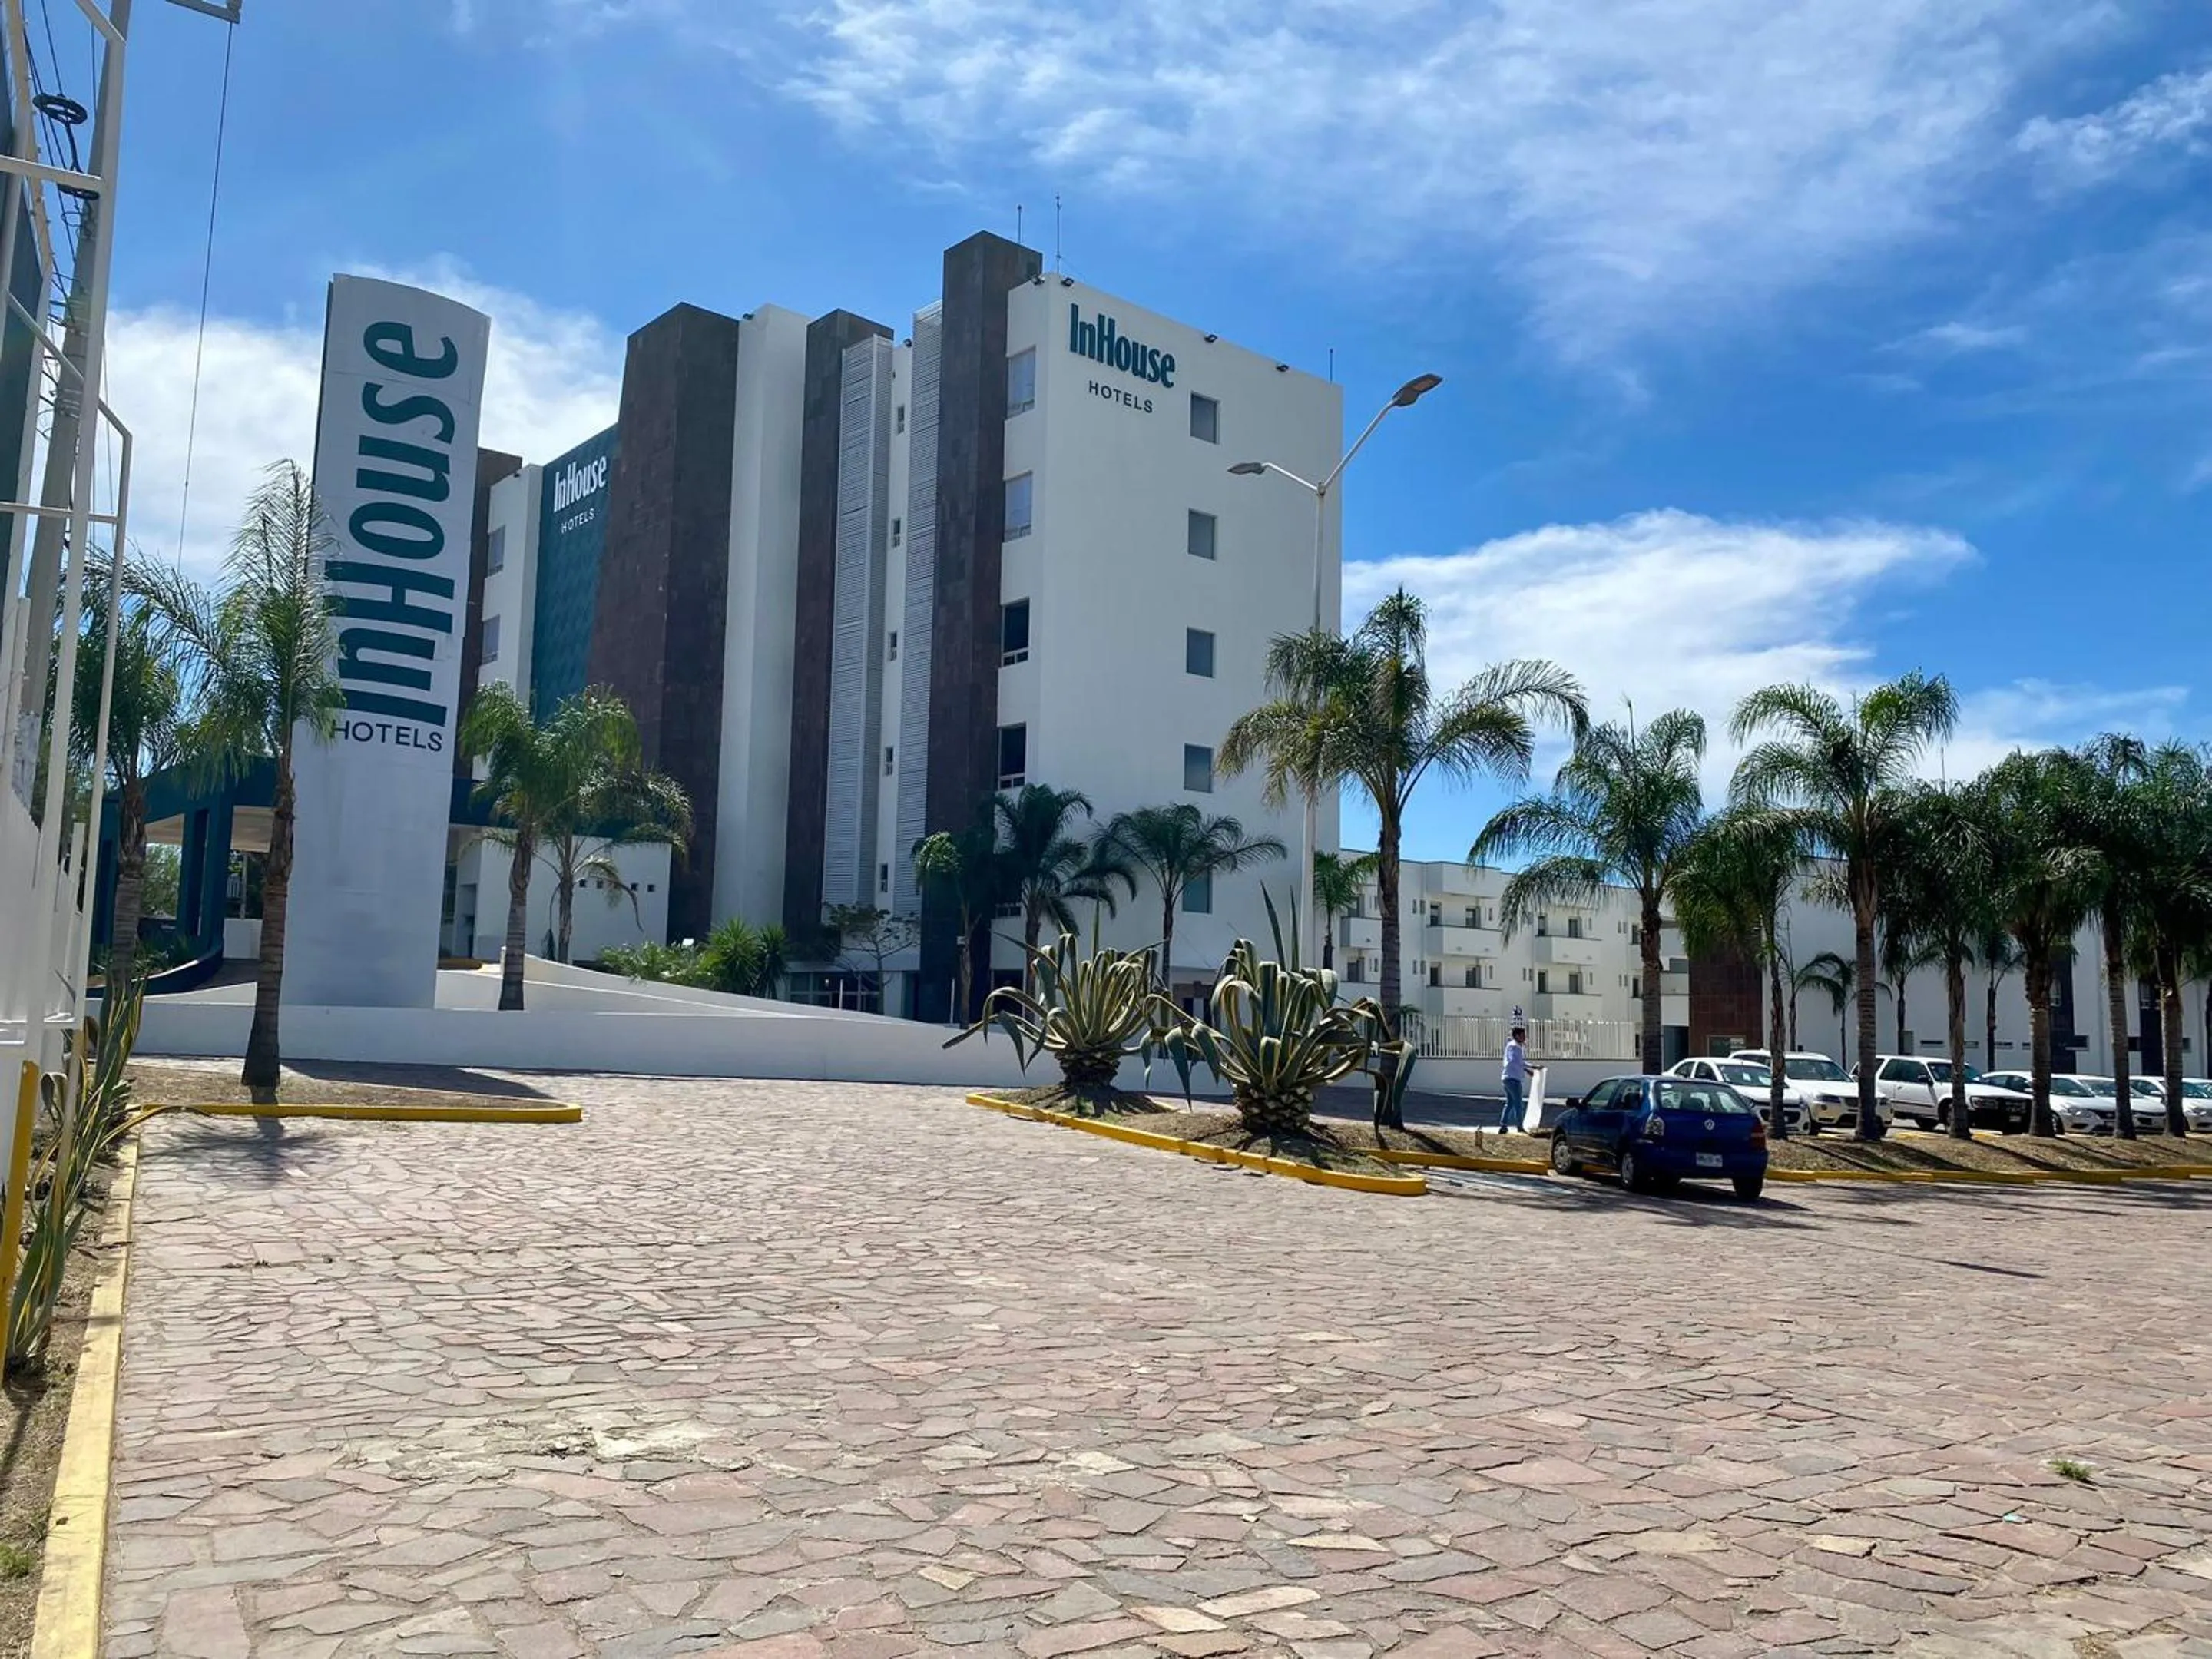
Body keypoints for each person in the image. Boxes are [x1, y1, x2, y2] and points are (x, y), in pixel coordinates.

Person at [1500, 1025, 1528, 1134]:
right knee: (1518, 1104)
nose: (1524, 1038)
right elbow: (1516, 1062)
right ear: (1517, 1036)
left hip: (1506, 1078)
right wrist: (1530, 1067)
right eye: (1523, 1035)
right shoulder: (1515, 1047)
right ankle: (1519, 1126)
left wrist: (1527, 1069)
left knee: (1510, 1102)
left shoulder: (1511, 1045)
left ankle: (1503, 1125)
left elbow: (1517, 1062)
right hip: (1513, 1079)